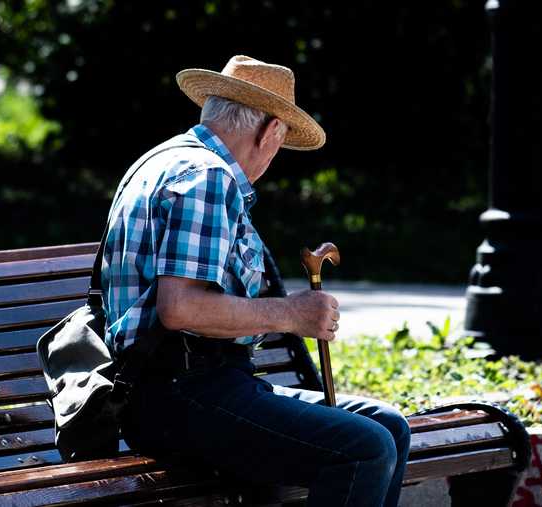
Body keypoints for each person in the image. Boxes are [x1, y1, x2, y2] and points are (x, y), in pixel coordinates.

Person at [101, 55, 411, 507]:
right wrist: (292, 314)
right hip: (179, 394)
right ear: (271, 133)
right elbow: (180, 308)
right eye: (280, 144)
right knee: (365, 449)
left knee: (387, 425)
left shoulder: (162, 160)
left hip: (183, 389)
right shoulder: (208, 178)